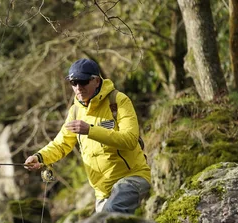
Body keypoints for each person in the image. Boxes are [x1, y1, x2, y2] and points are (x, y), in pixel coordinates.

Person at [25, 58, 151, 214]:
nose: (78, 87)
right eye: (73, 83)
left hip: (133, 178)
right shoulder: (75, 111)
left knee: (112, 215)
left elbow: (130, 140)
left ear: (96, 81)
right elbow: (61, 143)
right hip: (103, 193)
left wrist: (90, 130)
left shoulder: (118, 101)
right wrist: (39, 157)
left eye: (83, 81)